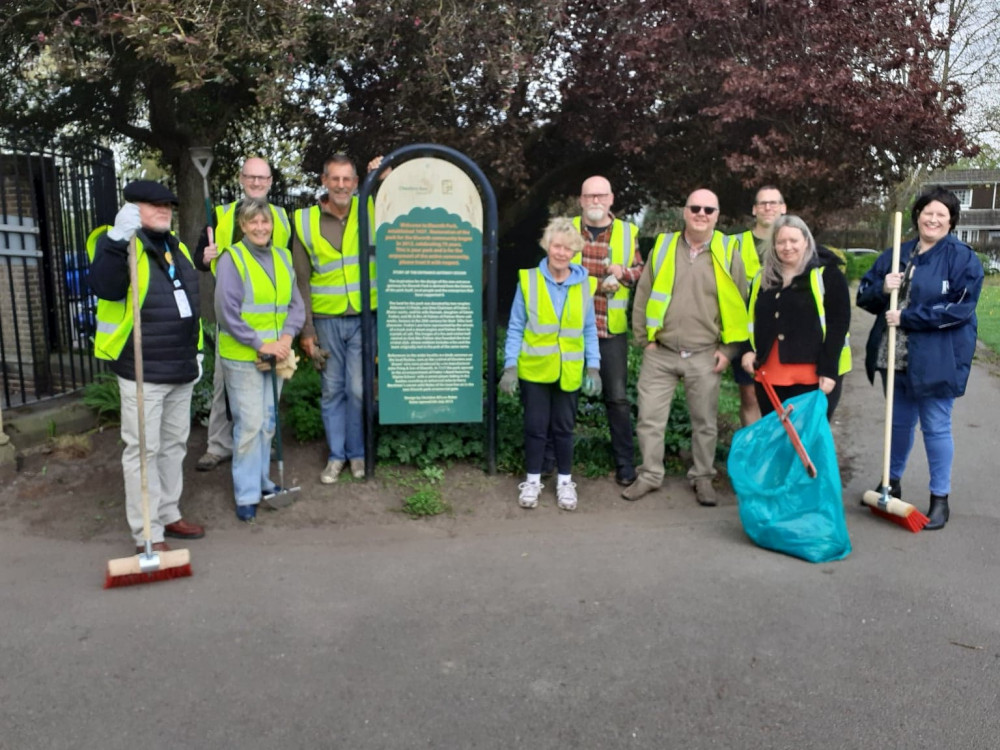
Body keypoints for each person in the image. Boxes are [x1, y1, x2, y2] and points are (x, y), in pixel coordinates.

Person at [88, 180, 205, 552]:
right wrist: (118, 239)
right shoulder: (117, 243)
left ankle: (168, 514)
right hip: (143, 370)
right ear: (133, 209)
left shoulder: (177, 247)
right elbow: (105, 287)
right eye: (153, 206)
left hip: (180, 365)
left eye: (168, 205)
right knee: (143, 450)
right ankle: (146, 532)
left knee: (174, 446)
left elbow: (189, 303)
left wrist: (197, 350)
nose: (164, 211)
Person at [857, 186, 983, 530]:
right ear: (917, 215)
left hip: (939, 357)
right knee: (898, 423)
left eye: (942, 214)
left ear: (951, 221)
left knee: (936, 427)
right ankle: (890, 482)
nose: (934, 218)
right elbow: (864, 297)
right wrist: (883, 288)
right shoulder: (896, 253)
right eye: (928, 211)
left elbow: (960, 309)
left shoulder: (962, 258)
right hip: (894, 355)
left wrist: (909, 317)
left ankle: (939, 498)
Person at [623, 188, 748, 506]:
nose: (701, 214)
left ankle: (703, 478)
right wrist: (645, 341)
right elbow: (643, 294)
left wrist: (728, 351)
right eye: (696, 208)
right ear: (685, 211)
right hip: (660, 353)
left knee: (704, 422)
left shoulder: (727, 249)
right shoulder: (664, 246)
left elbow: (740, 305)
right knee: (649, 419)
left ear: (717, 216)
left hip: (705, 354)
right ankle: (649, 475)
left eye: (709, 209)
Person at [194, 157, 291, 472]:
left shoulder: (281, 218)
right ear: (241, 178)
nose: (257, 183)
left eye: (262, 178)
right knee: (225, 384)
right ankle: (219, 445)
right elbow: (200, 258)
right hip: (235, 319)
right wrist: (204, 255)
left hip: (271, 321)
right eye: (251, 177)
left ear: (271, 181)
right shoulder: (222, 215)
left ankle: (262, 447)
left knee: (268, 391)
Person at [500, 217, 601, 511]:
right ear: (547, 246)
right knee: (534, 427)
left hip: (569, 370)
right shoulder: (529, 280)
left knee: (564, 428)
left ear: (574, 252)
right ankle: (532, 480)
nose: (561, 252)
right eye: (556, 246)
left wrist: (593, 366)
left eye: (567, 248)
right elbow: (516, 326)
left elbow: (589, 329)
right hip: (534, 369)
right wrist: (510, 366)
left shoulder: (584, 285)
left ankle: (565, 482)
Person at [215, 198, 305, 521]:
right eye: (253, 222)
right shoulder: (232, 259)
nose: (260, 227)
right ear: (243, 225)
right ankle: (246, 493)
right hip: (243, 357)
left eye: (264, 222)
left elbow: (296, 305)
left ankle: (264, 482)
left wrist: (285, 339)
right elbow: (226, 313)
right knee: (250, 425)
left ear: (272, 225)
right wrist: (260, 343)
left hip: (275, 354)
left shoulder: (282, 256)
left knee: (268, 423)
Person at [291, 154, 378, 484]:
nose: (341, 185)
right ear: (324, 181)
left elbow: (400, 209)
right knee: (331, 390)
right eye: (335, 179)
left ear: (356, 183)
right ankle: (336, 456)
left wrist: (385, 174)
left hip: (363, 317)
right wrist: (307, 328)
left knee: (358, 389)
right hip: (326, 320)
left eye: (348, 179)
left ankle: (357, 453)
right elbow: (301, 279)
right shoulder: (303, 221)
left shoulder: (369, 210)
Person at [740, 215, 851, 420]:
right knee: (777, 442)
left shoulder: (828, 275)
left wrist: (829, 370)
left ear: (806, 241)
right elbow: (748, 320)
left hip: (814, 377)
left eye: (793, 241)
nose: (787, 247)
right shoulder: (762, 278)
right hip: (769, 377)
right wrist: (746, 350)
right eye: (780, 241)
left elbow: (839, 324)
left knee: (806, 444)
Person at [571, 176, 644, 486]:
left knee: (616, 399)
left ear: (612, 198)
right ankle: (553, 462)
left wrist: (623, 272)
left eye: (601, 195)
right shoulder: (567, 228)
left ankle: (625, 465)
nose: (595, 201)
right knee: (565, 396)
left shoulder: (628, 232)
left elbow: (642, 270)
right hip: (571, 329)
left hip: (609, 330)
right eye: (590, 196)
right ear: (581, 200)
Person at [731, 186, 787, 426]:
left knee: (781, 398)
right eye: (763, 203)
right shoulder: (734, 244)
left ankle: (779, 454)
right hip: (745, 333)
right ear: (754, 209)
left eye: (774, 203)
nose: (768, 207)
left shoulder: (793, 242)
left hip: (783, 334)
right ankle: (756, 455)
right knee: (750, 397)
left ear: (783, 208)